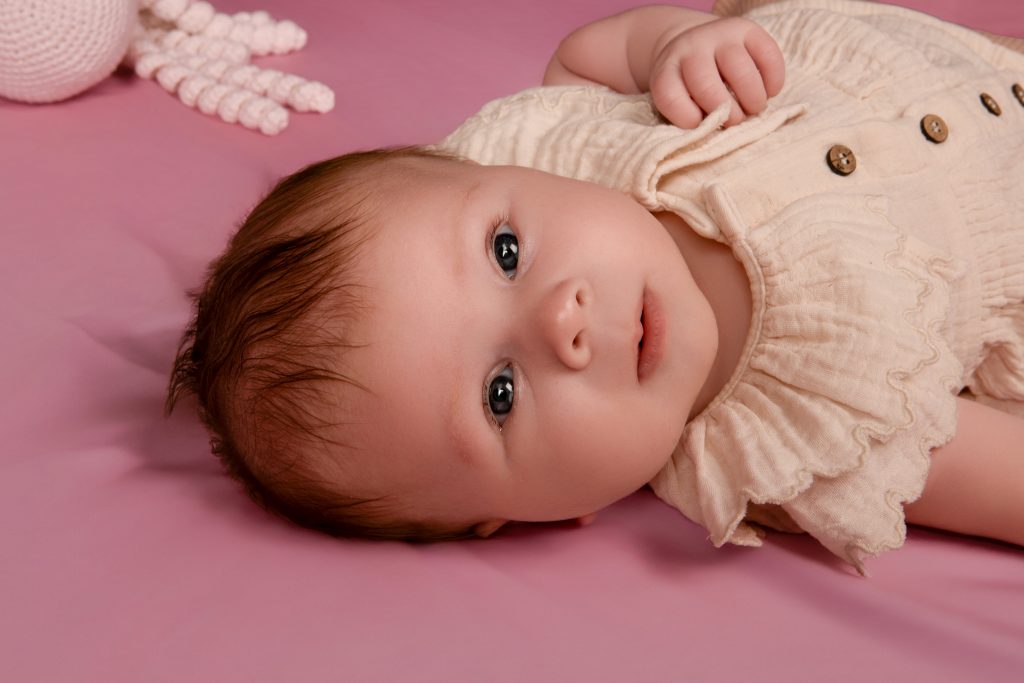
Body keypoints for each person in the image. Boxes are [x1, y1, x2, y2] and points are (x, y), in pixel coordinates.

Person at [168, 0, 1024, 573]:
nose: (563, 322)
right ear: (524, 514)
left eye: (506, 251)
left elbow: (591, 51)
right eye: (500, 394)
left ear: (486, 165)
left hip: (903, 45)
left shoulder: (578, 141)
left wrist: (677, 44)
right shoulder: (819, 440)